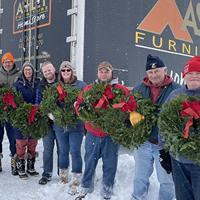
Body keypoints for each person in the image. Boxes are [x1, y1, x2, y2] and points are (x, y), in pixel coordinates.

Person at [75, 61, 127, 200]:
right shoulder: (89, 89)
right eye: (101, 71)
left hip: (111, 135)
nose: (104, 74)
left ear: (111, 73)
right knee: (90, 161)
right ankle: (86, 186)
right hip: (92, 133)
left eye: (106, 71)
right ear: (98, 73)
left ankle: (107, 188)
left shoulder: (120, 89)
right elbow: (78, 104)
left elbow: (128, 105)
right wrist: (82, 110)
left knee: (110, 163)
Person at [131, 54, 179, 200]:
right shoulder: (139, 89)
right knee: (140, 177)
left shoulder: (177, 90)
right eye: (150, 72)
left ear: (165, 70)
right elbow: (131, 110)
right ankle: (137, 197)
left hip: (165, 146)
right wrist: (130, 119)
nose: (154, 75)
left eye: (157, 71)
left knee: (166, 181)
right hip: (143, 143)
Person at [165, 56, 200, 200]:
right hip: (178, 160)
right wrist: (164, 150)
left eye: (198, 74)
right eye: (190, 73)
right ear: (184, 76)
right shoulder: (175, 96)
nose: (194, 77)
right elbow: (164, 123)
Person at [53, 61, 86, 194]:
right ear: (60, 73)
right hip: (60, 125)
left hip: (76, 125)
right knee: (63, 150)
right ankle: (63, 176)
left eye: (68, 70)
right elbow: (49, 102)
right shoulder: (56, 86)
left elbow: (86, 103)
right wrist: (52, 113)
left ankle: (76, 178)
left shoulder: (81, 85)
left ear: (72, 71)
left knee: (75, 151)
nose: (66, 72)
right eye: (63, 70)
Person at [14, 61, 41, 179]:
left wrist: (36, 107)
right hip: (22, 115)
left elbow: (39, 95)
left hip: (35, 114)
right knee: (21, 142)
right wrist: (23, 109)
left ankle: (31, 167)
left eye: (29, 69)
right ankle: (21, 168)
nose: (28, 71)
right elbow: (15, 99)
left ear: (33, 71)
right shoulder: (18, 84)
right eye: (26, 70)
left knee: (32, 141)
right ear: (23, 71)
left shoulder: (37, 82)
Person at [38, 61, 59, 185]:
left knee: (62, 149)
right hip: (47, 123)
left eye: (49, 70)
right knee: (47, 149)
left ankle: (62, 172)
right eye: (45, 71)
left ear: (54, 69)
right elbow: (38, 99)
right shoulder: (41, 85)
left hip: (60, 121)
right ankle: (47, 174)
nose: (47, 73)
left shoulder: (61, 82)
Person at [0, 52, 21, 175]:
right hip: (0, 111)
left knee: (13, 137)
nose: (8, 63)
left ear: (13, 62)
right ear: (2, 63)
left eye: (9, 61)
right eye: (5, 62)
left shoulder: (18, 74)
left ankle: (15, 160)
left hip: (13, 112)